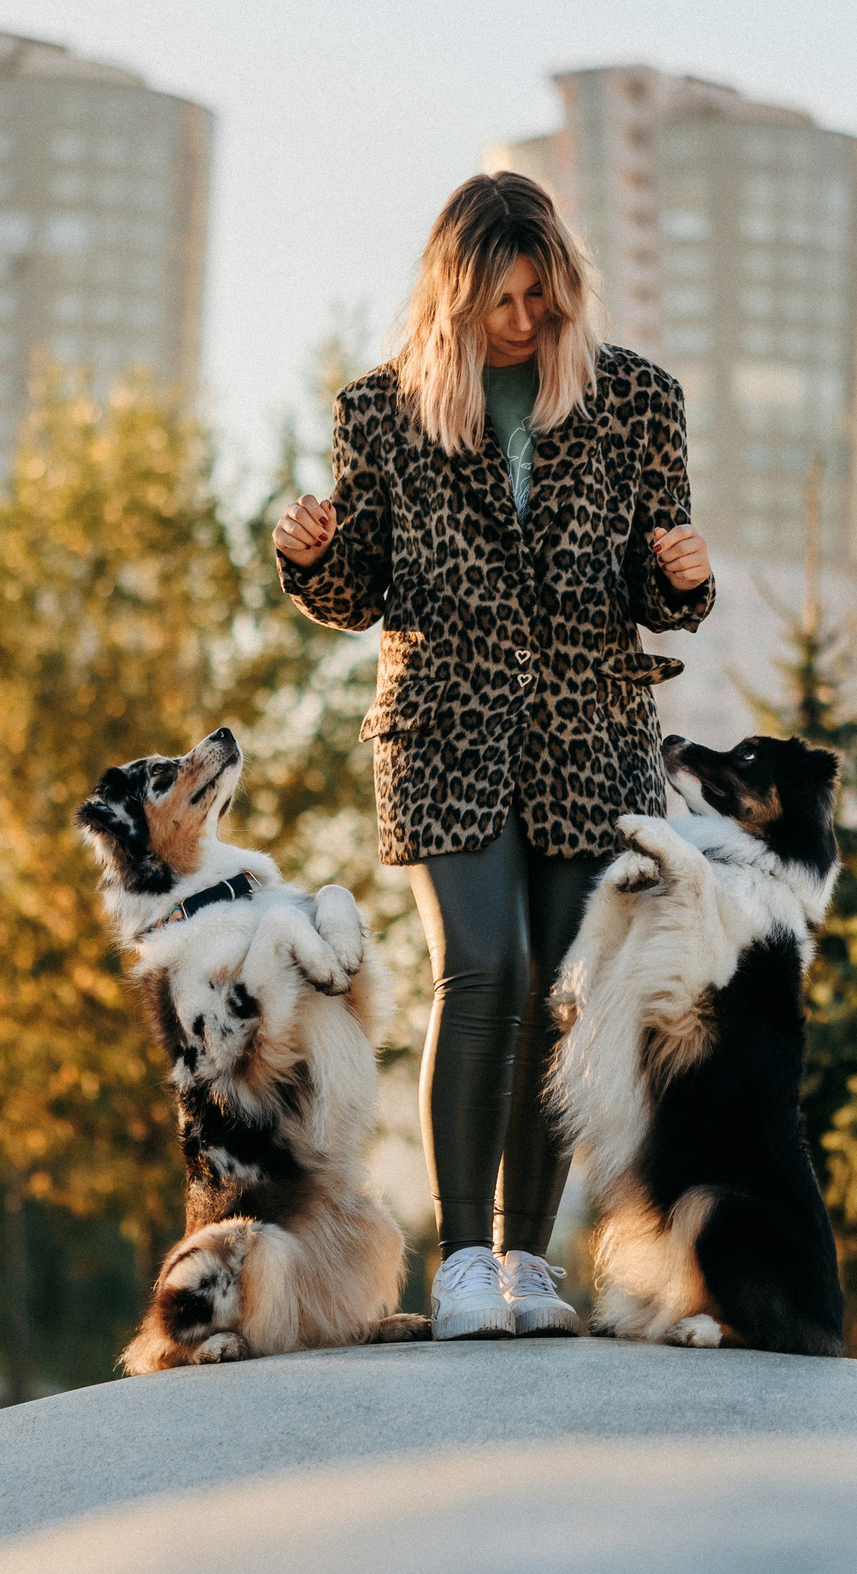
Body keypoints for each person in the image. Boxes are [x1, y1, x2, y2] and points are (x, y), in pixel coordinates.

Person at [273, 171, 714, 1341]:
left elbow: (658, 593)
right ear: (454, 294)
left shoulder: (637, 402)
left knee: (562, 999)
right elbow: (358, 586)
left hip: (591, 727)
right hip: (445, 728)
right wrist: (313, 552)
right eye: (502, 299)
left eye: (542, 297)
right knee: (486, 967)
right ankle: (462, 1255)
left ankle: (528, 1259)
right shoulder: (380, 410)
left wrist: (681, 576)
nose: (524, 320)